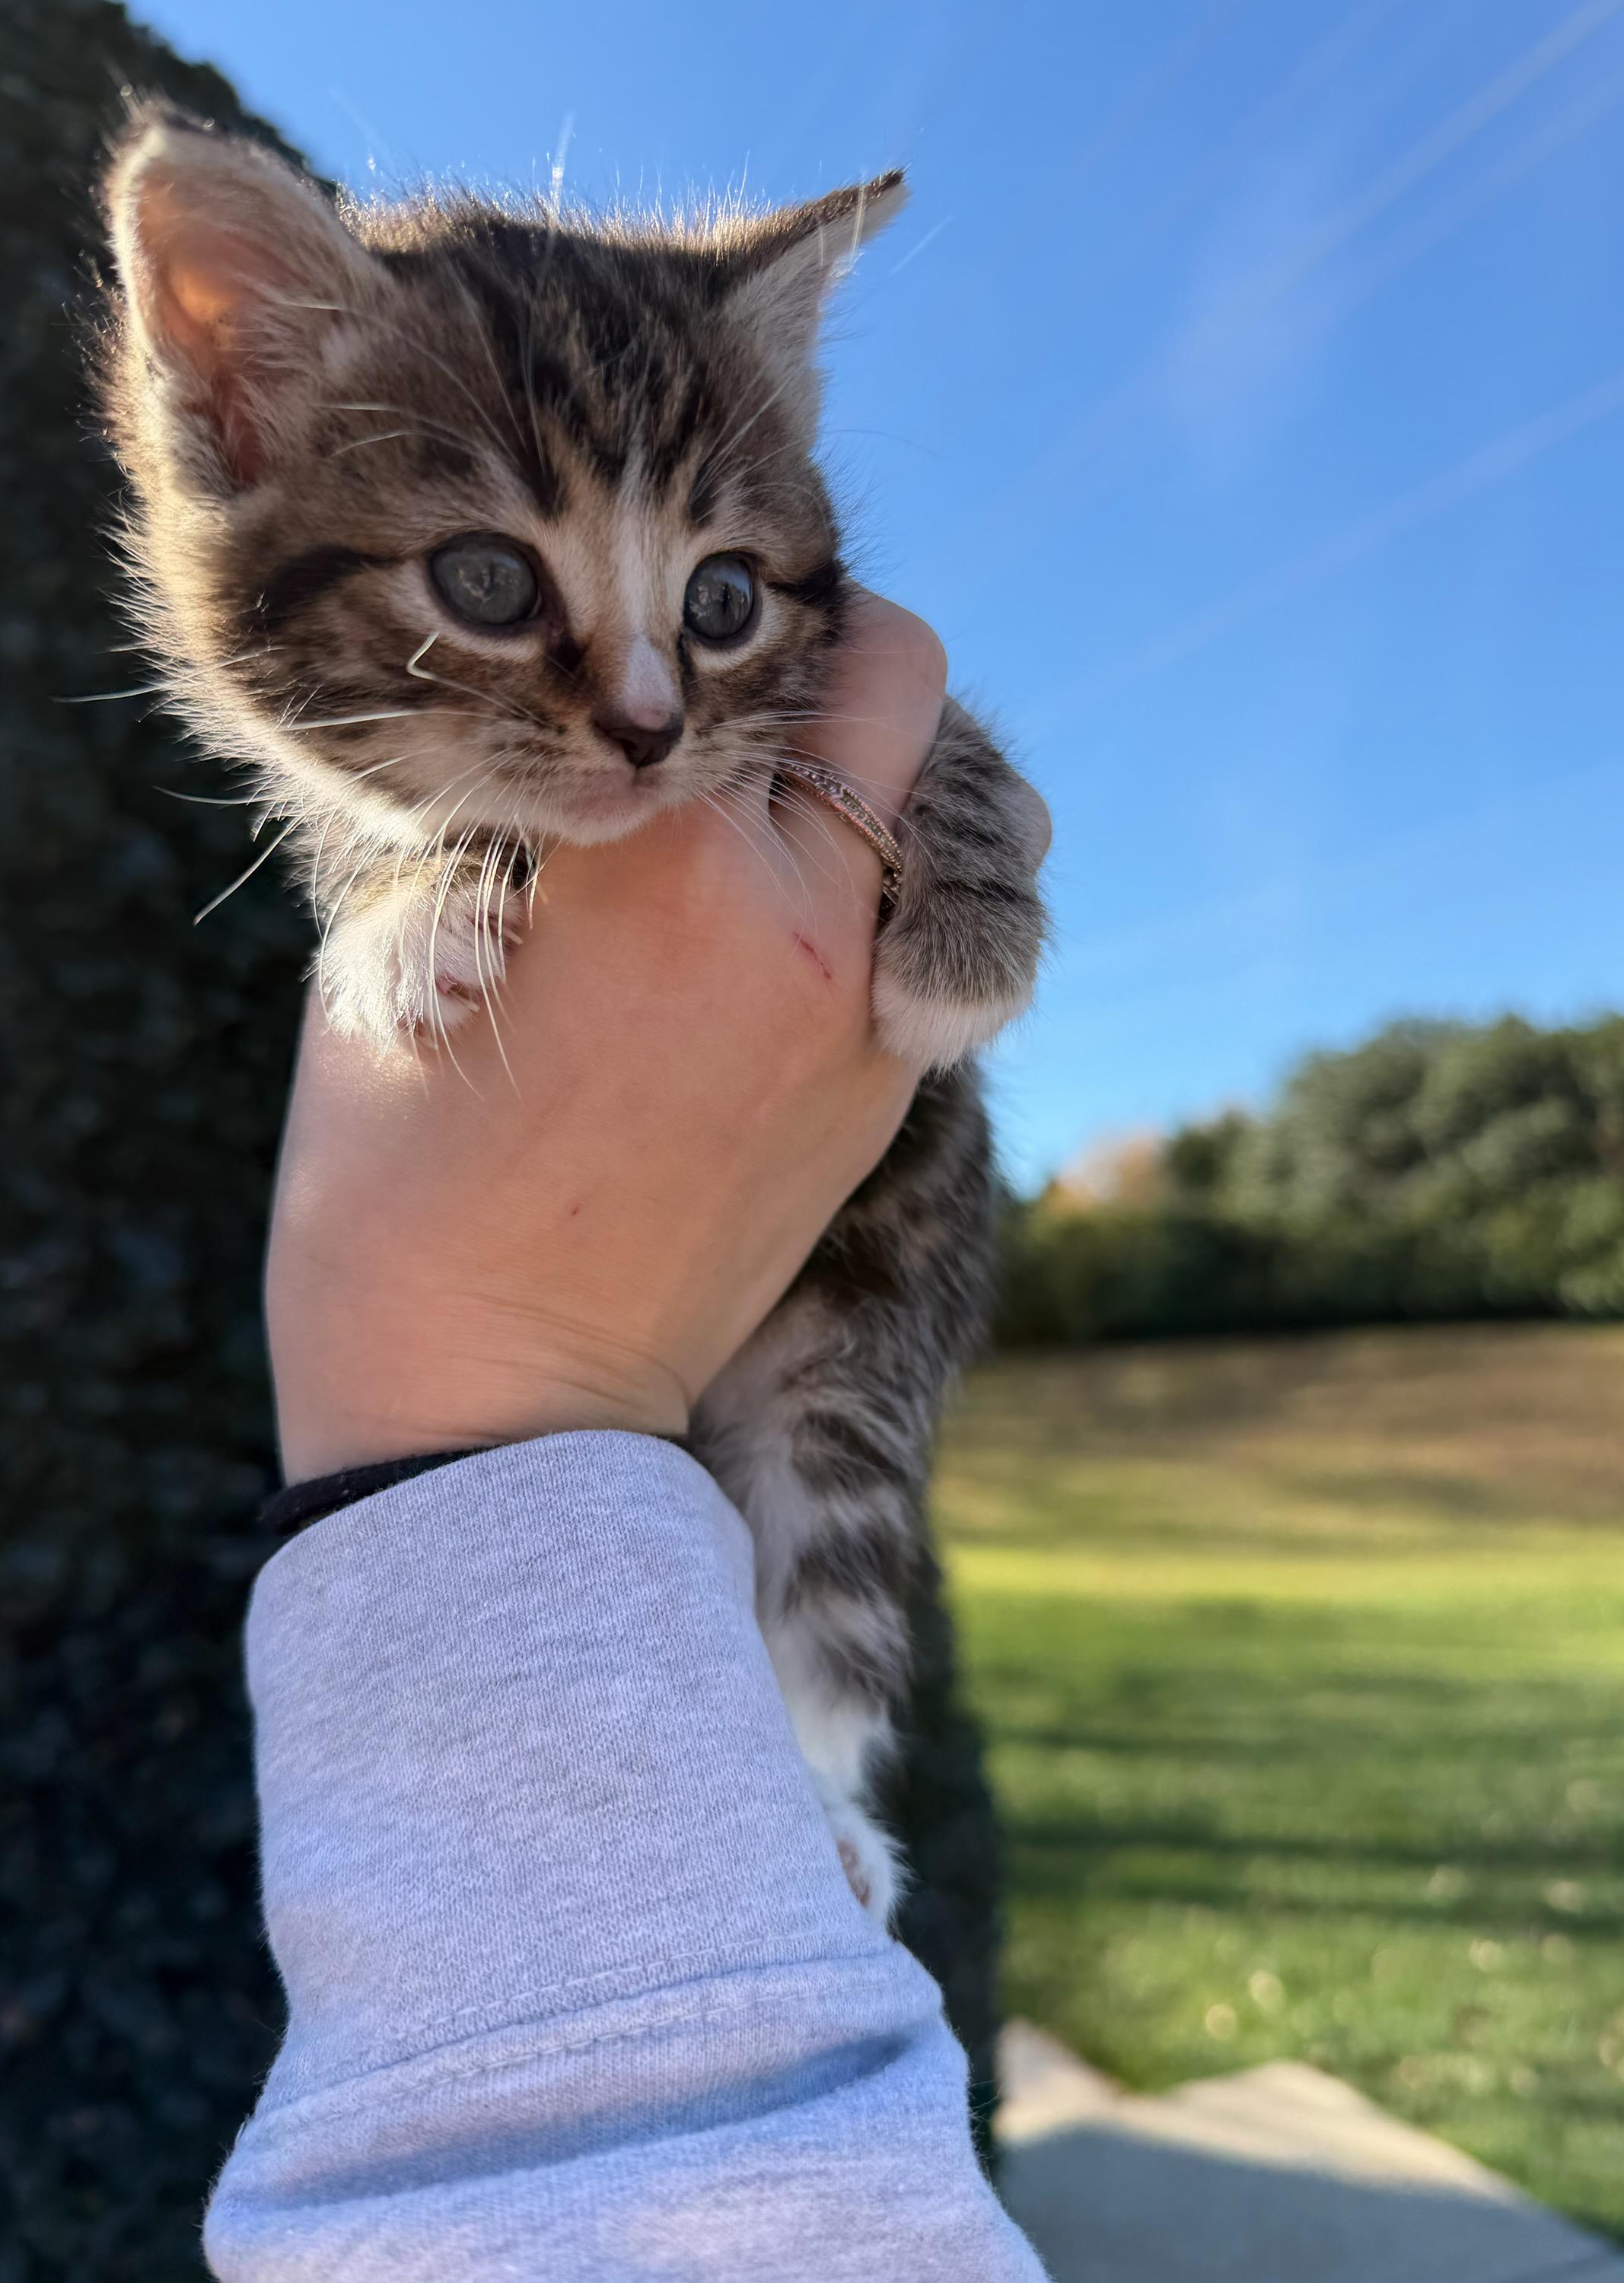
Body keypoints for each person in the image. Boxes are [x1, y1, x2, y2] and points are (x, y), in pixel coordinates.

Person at [204, 594, 1051, 2281]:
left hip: (851, 1258)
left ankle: (819, 1770)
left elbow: (910, 737)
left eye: (713, 597)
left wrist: (950, 833)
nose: (648, 700)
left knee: (834, 1477)